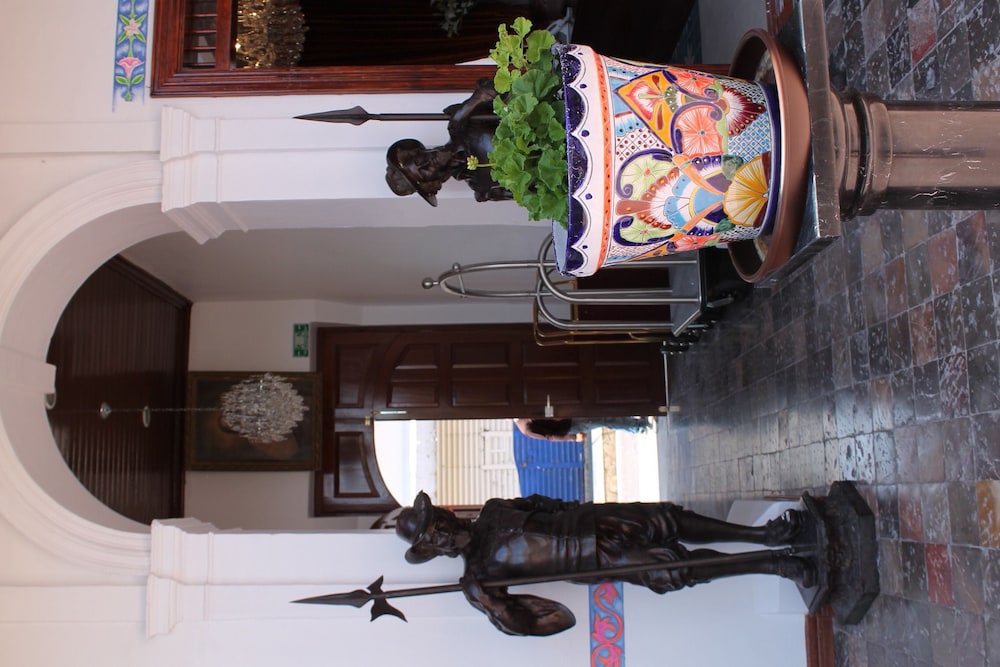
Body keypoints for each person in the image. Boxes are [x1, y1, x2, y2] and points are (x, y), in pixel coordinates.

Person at [395, 492, 814, 636]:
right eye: (431, 538)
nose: (440, 534)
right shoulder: (479, 578)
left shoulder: (492, 510)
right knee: (675, 570)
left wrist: (578, 509)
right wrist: (490, 604)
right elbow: (533, 624)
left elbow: (542, 503)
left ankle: (763, 535)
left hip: (594, 521)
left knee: (669, 519)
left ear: (445, 514)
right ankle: (774, 565)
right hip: (593, 560)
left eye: (436, 524)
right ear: (432, 552)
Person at [385, 78, 513, 205]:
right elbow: (522, 192)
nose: (427, 163)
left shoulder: (461, 126)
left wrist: (469, 106)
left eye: (419, 160)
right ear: (432, 182)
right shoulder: (483, 187)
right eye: (424, 172)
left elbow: (499, 88)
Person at [513, 416, 653, 442]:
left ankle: (636, 426)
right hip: (569, 425)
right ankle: (638, 427)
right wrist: (573, 437)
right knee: (603, 419)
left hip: (569, 414)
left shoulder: (524, 407)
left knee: (603, 418)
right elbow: (550, 436)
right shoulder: (526, 428)